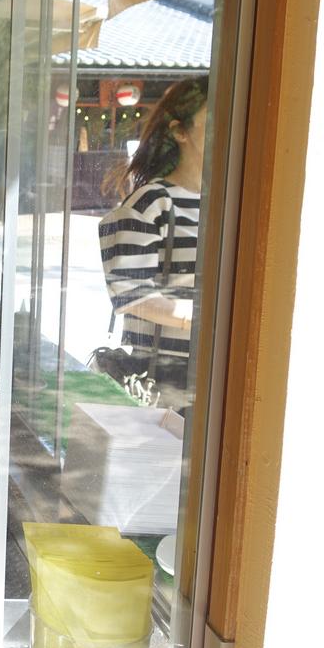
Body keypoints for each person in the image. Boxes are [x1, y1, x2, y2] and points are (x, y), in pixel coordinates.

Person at [98, 76, 208, 408]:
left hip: (221, 372)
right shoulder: (152, 203)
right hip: (168, 380)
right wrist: (206, 319)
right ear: (180, 131)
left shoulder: (234, 203)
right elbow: (132, 294)